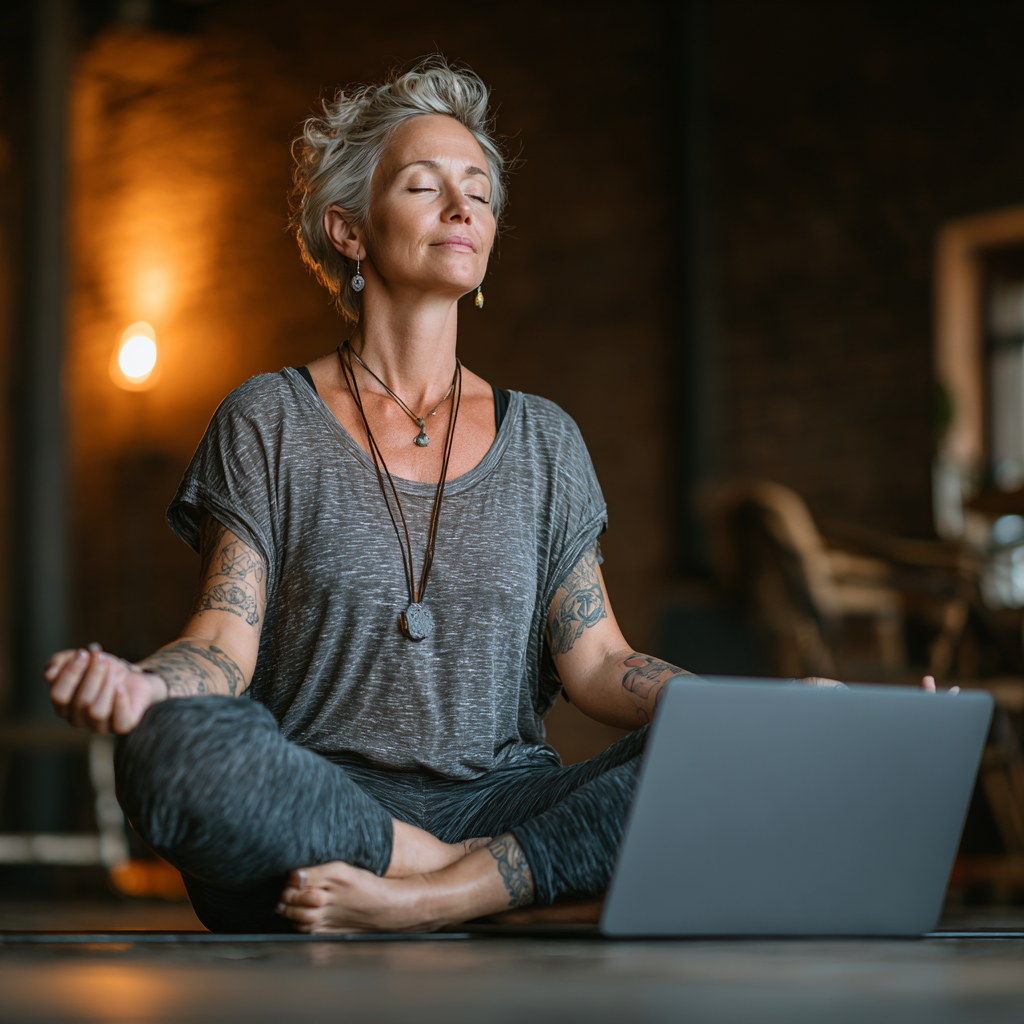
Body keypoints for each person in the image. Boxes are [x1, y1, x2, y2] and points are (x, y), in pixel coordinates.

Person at [45, 58, 940, 935]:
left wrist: (755, 717)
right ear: (348, 230)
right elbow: (220, 643)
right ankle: (502, 883)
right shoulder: (268, 418)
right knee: (170, 752)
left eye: (478, 191)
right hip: (322, 804)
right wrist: (142, 686)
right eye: (424, 186)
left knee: (715, 761)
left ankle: (434, 899)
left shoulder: (546, 440)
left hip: (507, 800)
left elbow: (600, 663)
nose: (462, 207)